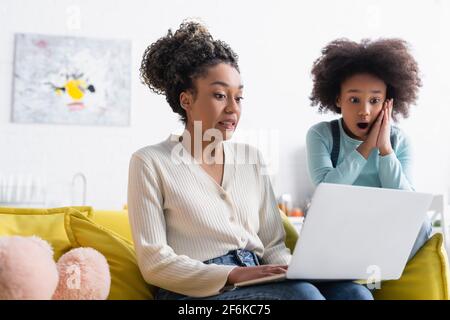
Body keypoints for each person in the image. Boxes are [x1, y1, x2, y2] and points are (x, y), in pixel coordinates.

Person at [127, 21, 373, 300]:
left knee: (354, 294)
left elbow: (272, 245)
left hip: (259, 277)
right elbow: (154, 263)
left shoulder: (251, 159)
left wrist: (299, 270)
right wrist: (231, 274)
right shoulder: (149, 162)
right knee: (303, 297)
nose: (233, 109)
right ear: (186, 100)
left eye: (239, 97)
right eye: (220, 95)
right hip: (192, 296)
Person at [306, 38, 430, 260]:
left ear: (387, 103)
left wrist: (384, 149)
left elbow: (407, 203)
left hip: (381, 232)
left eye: (375, 100)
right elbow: (326, 192)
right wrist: (366, 146)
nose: (364, 110)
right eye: (354, 99)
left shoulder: (399, 141)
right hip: (338, 231)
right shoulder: (321, 135)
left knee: (424, 223)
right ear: (337, 99)